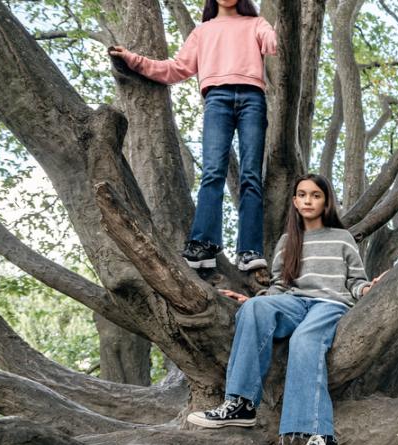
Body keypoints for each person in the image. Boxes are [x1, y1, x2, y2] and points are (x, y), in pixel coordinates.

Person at [187, 174, 383, 445]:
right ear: (294, 201)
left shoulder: (341, 238)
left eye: (315, 195)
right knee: (255, 308)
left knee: (304, 340)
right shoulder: (287, 241)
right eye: (302, 195)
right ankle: (241, 403)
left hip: (329, 304)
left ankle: (321, 436)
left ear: (326, 201)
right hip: (294, 302)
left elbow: (355, 280)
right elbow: (279, 286)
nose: (308, 200)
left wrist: (368, 289)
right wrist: (252, 301)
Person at [109, 0, 276, 271]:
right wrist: (133, 60)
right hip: (217, 99)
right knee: (213, 172)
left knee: (250, 176)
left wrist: (279, 27)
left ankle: (249, 250)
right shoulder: (203, 31)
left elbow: (273, 44)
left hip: (252, 98)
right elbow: (176, 69)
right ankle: (203, 244)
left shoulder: (255, 23)